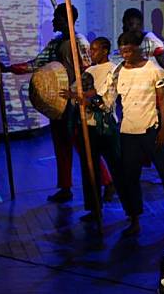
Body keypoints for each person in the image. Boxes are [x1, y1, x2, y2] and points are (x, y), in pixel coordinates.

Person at [0, 3, 114, 203]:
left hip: (75, 102)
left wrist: (82, 96)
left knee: (83, 145)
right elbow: (37, 63)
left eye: (57, 18)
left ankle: (107, 182)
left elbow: (90, 72)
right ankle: (65, 187)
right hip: (59, 101)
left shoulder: (80, 43)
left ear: (67, 20)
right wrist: (9, 69)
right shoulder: (56, 44)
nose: (53, 21)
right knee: (61, 145)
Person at [97, 31, 164, 236]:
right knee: (130, 177)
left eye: (129, 50)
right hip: (128, 132)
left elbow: (163, 103)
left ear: (138, 47)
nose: (126, 55)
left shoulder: (154, 70)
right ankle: (135, 218)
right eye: (122, 52)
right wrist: (91, 100)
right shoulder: (118, 71)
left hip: (150, 130)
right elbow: (108, 100)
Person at [61, 37, 122, 222]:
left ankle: (132, 211)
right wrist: (74, 95)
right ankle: (94, 209)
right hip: (87, 127)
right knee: (90, 170)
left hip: (106, 126)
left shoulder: (114, 69)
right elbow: (73, 93)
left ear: (105, 50)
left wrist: (82, 97)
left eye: (95, 50)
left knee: (117, 168)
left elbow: (105, 99)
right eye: (90, 50)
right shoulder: (88, 71)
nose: (91, 53)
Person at [120, 8, 164, 162]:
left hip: (157, 90)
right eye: (130, 24)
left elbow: (163, 63)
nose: (133, 27)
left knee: (161, 128)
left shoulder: (150, 39)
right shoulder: (127, 40)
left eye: (136, 24)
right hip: (141, 92)